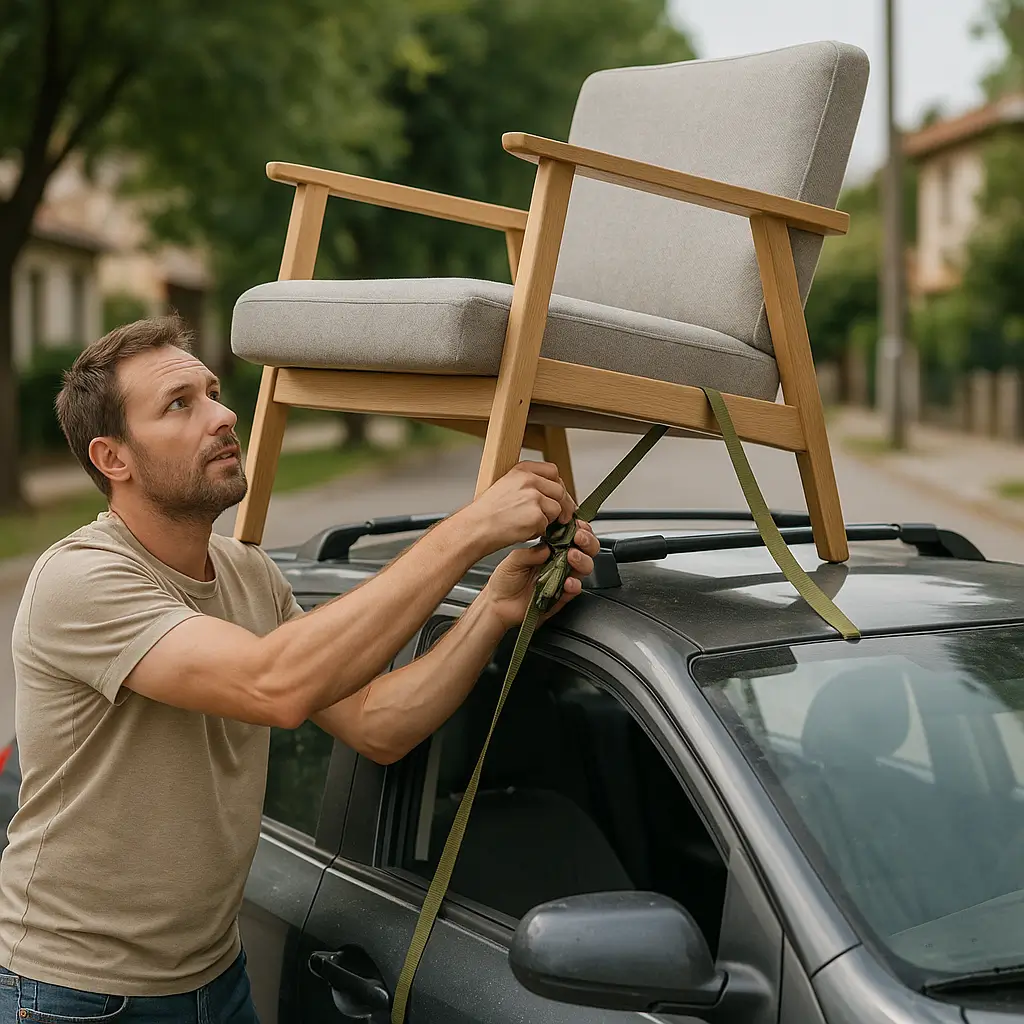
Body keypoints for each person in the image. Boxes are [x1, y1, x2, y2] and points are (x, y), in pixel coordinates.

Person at [0, 316, 598, 1022]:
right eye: (179, 405)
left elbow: (377, 724)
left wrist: (494, 609)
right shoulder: (81, 580)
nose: (223, 415)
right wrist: (469, 529)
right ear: (113, 457)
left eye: (214, 392)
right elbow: (275, 685)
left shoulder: (249, 576)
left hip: (215, 977)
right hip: (79, 995)